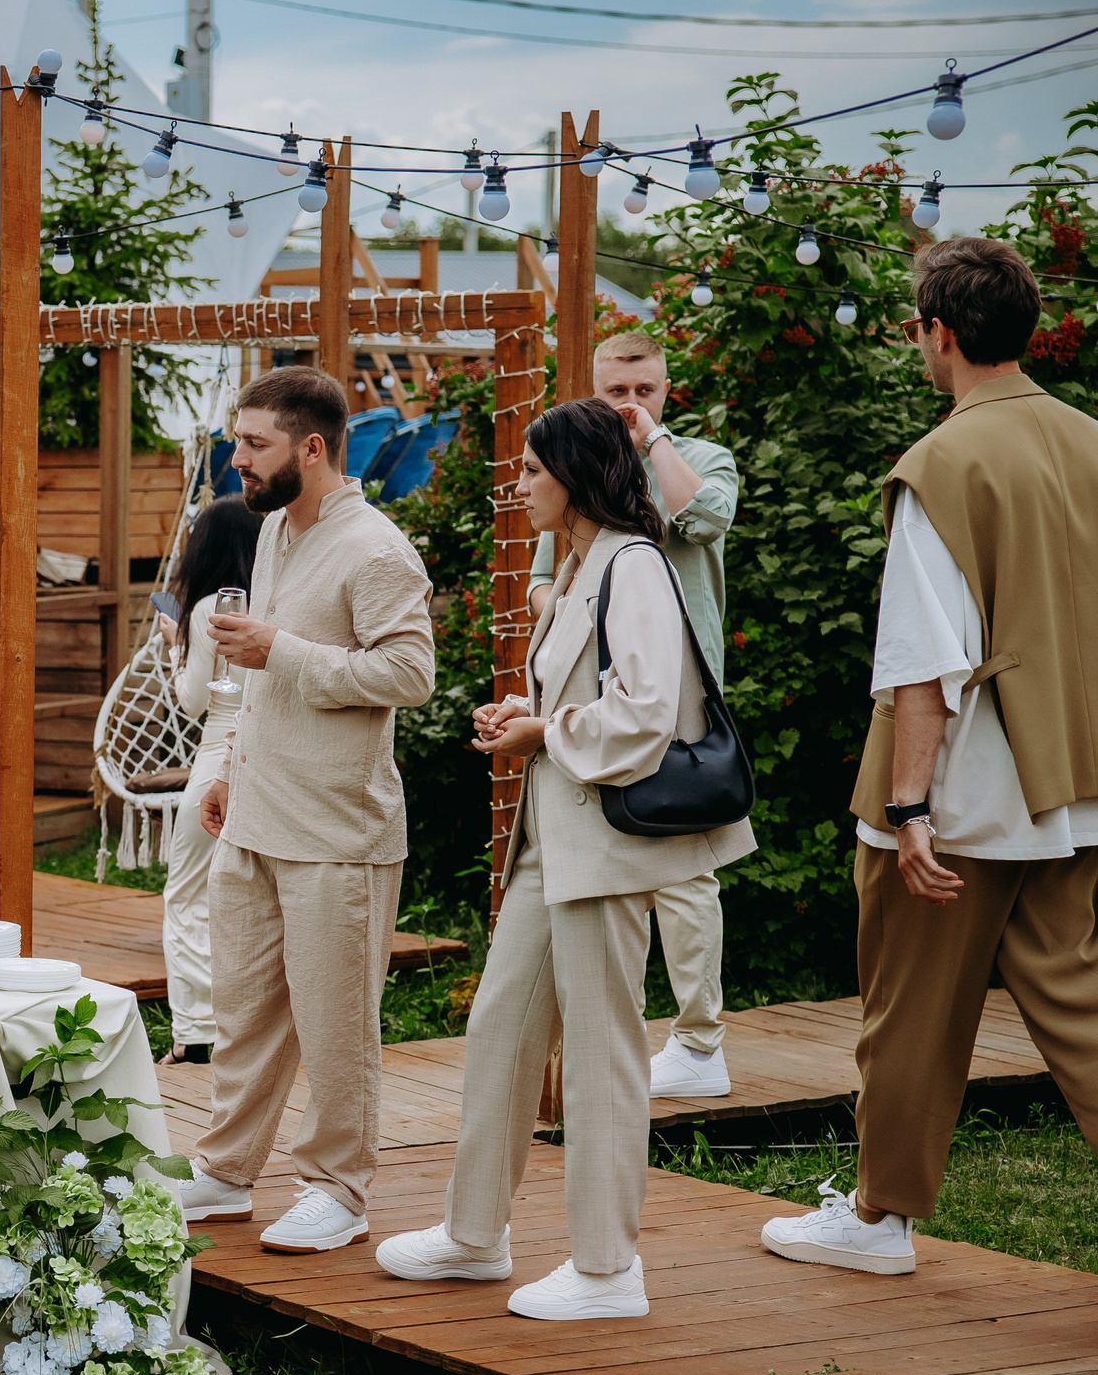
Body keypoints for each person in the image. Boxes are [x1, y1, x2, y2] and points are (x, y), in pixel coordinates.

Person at [764, 237, 1098, 1277]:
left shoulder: (939, 464)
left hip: (967, 790)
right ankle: (876, 1214)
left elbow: (923, 662)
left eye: (916, 328)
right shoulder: (1090, 440)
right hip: (1078, 778)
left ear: (939, 334)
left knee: (908, 1012)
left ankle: (879, 1218)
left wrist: (908, 808)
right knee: (1083, 1010)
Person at [378, 398, 754, 1320]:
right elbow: (592, 695)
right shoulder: (586, 564)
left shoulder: (634, 563)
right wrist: (528, 715)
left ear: (576, 478)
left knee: (600, 1049)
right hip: (555, 842)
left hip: (608, 847)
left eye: (532, 471)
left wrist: (544, 731)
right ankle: (475, 1235)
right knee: (499, 1027)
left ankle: (607, 1268)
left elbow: (647, 712)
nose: (518, 485)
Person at [179, 367, 437, 1253]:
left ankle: (338, 1189)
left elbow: (410, 674)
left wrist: (280, 649)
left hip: (337, 829)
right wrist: (230, 769)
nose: (237, 459)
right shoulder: (273, 530)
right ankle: (225, 1171)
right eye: (238, 440)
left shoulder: (377, 549)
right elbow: (263, 676)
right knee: (244, 1011)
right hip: (256, 812)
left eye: (255, 444)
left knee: (335, 1027)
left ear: (313, 448)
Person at [528, 332, 743, 1101]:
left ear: (665, 389)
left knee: (684, 869)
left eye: (643, 390)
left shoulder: (700, 456)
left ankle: (699, 1041)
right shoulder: (571, 467)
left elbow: (707, 518)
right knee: (612, 861)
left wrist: (652, 442)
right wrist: (578, 627)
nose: (628, 403)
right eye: (614, 391)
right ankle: (621, 1043)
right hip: (591, 698)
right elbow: (545, 580)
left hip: (680, 695)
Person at [154, 496, 264, 1060]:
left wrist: (178, 644)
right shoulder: (272, 604)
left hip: (219, 757)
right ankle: (248, 1027)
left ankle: (197, 1031)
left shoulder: (205, 612)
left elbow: (195, 700)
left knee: (188, 893)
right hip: (271, 758)